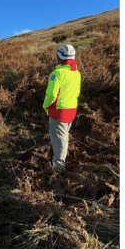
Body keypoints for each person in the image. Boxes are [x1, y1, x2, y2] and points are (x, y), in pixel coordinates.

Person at [43, 45, 81, 173]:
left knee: (60, 139)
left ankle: (58, 169)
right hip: (71, 110)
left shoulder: (57, 74)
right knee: (63, 137)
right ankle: (58, 160)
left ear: (59, 57)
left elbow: (52, 94)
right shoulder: (76, 73)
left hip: (59, 111)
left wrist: (45, 106)